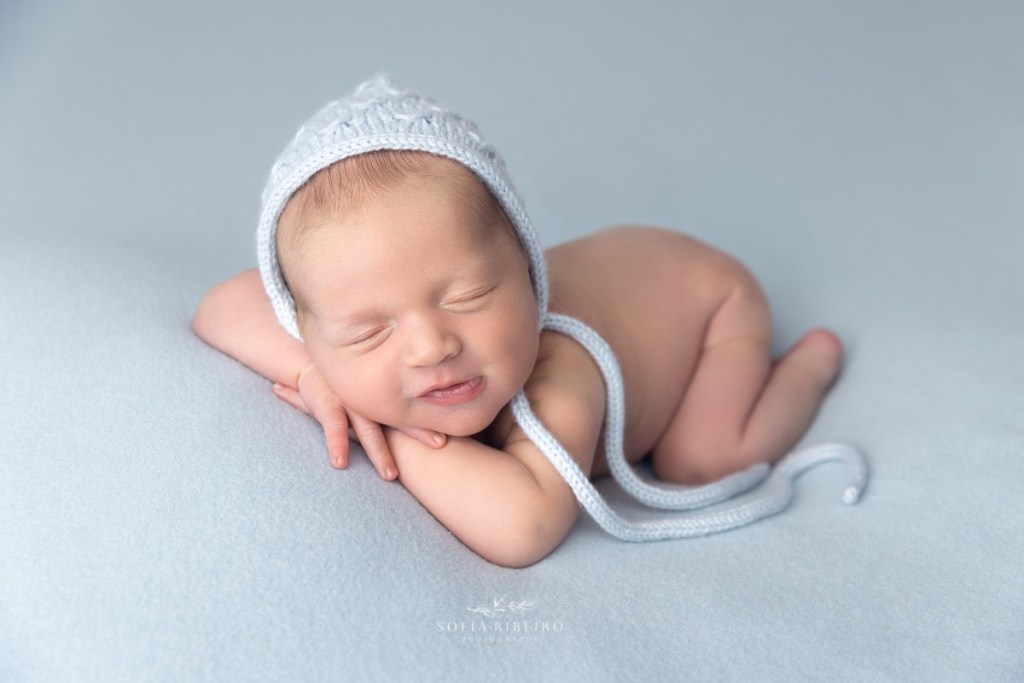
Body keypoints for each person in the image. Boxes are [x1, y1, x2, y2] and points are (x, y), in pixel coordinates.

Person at [193, 75, 866, 568]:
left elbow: (525, 523)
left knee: (701, 458)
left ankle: (808, 364)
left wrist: (383, 425)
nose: (432, 345)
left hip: (708, 300)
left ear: (525, 267)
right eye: (369, 330)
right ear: (305, 322)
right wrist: (315, 373)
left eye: (470, 292)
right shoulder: (340, 308)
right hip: (633, 264)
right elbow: (220, 305)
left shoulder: (559, 370)